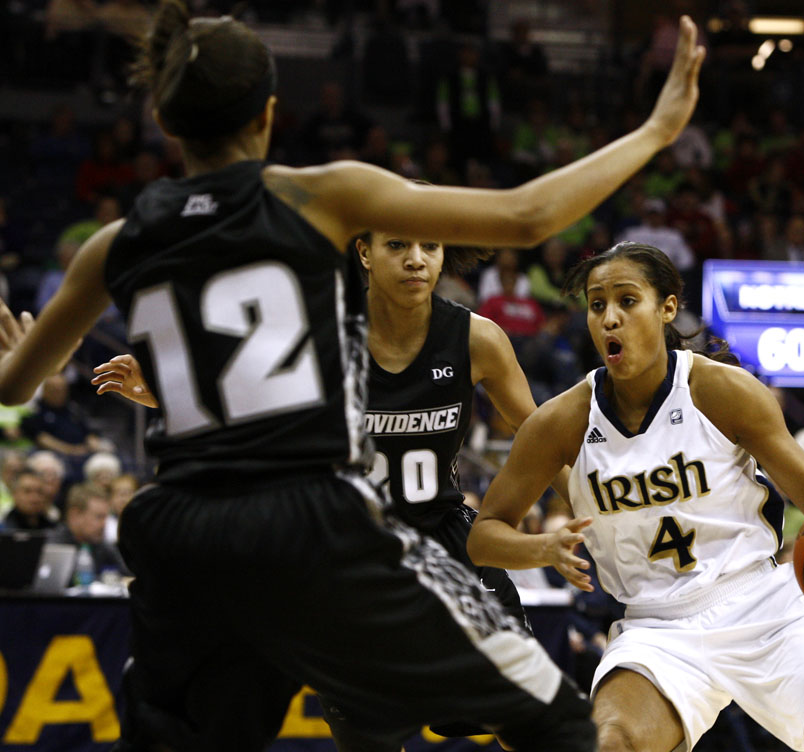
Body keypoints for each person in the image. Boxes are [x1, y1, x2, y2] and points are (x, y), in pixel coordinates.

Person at [0, 3, 705, 750]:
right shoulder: (313, 195)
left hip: (179, 531)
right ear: (268, 115)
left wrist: (21, 358)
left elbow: (15, 389)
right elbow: (528, 216)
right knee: (558, 725)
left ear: (165, 121)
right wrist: (658, 130)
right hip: (308, 520)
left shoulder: (116, 239)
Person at [93, 226, 572, 744]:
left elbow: (540, 435)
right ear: (364, 252)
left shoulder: (477, 337)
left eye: (429, 247)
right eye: (397, 245)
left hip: (446, 538)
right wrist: (170, 398)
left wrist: (599, 504)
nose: (416, 260)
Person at [467, 242, 804, 752]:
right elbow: (483, 536)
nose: (610, 319)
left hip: (765, 604)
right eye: (597, 306)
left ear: (667, 307)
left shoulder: (721, 390)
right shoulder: (561, 421)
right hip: (657, 628)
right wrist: (542, 549)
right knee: (609, 744)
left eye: (627, 300)